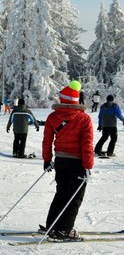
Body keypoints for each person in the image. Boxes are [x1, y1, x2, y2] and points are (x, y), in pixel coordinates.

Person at [42, 80, 93, 241]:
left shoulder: (53, 117)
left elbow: (47, 140)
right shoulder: (84, 119)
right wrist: (88, 165)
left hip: (60, 161)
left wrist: (47, 159)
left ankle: (52, 226)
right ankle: (63, 231)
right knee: (74, 198)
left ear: (62, 99)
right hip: (77, 163)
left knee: (62, 194)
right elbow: (87, 144)